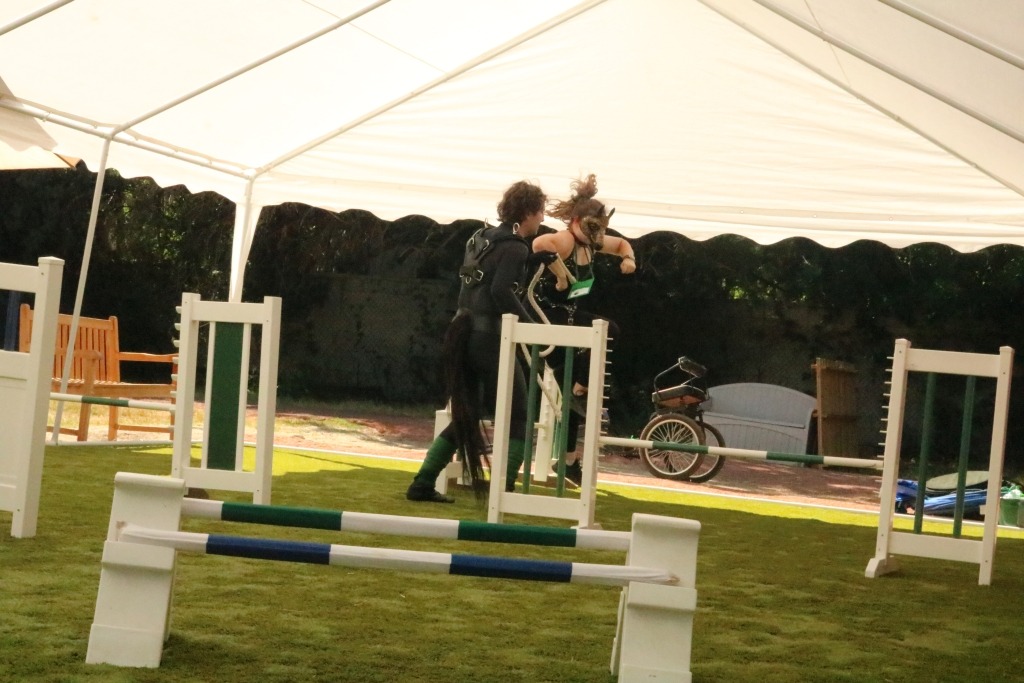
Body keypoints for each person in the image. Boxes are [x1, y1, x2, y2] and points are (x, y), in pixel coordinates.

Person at [406, 180, 551, 503]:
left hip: (462, 332)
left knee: (466, 414)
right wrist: (531, 329)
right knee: (520, 415)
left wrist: (530, 262)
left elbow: (484, 280)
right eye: (540, 212)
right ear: (528, 212)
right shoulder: (516, 246)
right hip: (489, 338)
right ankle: (504, 490)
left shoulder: (480, 237)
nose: (542, 219)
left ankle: (423, 482)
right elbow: (500, 291)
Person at [530, 174, 635, 485]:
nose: (598, 235)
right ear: (576, 222)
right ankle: (580, 385)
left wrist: (628, 258)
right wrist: (561, 274)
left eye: (600, 228)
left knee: (572, 399)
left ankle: (567, 461)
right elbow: (539, 244)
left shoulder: (592, 241)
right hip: (548, 315)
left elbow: (622, 244)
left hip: (569, 316)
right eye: (593, 228)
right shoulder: (566, 239)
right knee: (609, 329)